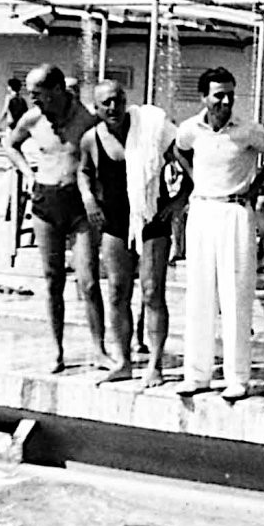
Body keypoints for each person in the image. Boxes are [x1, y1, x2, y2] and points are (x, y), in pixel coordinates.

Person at [173, 67, 264, 402]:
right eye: (218, 95)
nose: (225, 101)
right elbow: (178, 149)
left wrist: (256, 185)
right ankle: (197, 374)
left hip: (235, 211)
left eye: (229, 95)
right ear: (204, 96)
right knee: (199, 295)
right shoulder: (191, 129)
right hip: (202, 210)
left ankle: (237, 377)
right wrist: (193, 177)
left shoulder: (247, 129)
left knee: (236, 296)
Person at [77, 79, 190, 388]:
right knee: (117, 292)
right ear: (97, 109)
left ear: (125, 100)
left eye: (117, 100)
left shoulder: (150, 129)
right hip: (115, 220)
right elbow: (84, 172)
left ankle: (155, 364)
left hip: (153, 216)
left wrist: (179, 201)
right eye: (106, 104)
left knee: (153, 291)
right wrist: (88, 199)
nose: (113, 108)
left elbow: (188, 163)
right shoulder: (91, 139)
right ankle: (123, 361)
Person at [3, 64, 106, 374]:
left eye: (39, 96)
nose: (35, 102)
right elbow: (9, 143)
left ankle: (100, 349)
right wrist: (26, 170)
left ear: (59, 90)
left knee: (88, 281)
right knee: (52, 281)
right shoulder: (34, 119)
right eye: (32, 96)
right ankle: (56, 349)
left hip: (80, 206)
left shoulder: (87, 119)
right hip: (46, 203)